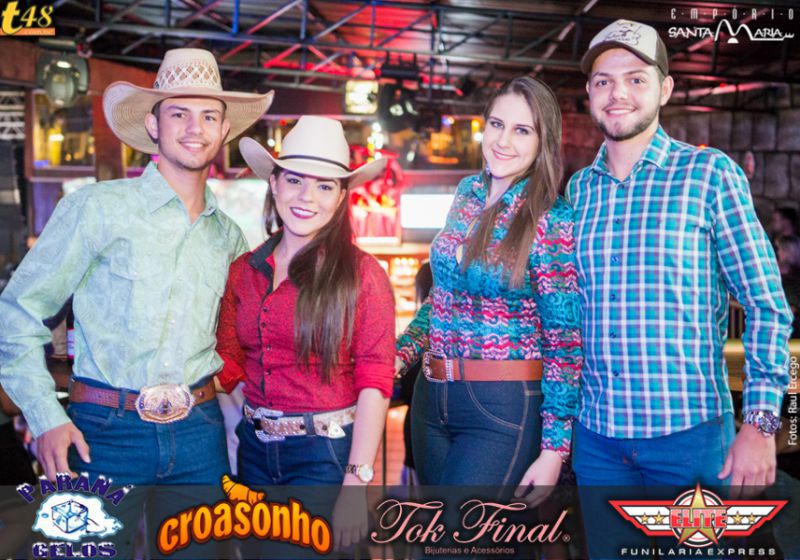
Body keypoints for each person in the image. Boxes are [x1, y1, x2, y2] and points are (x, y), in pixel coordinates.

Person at [0, 47, 273, 546]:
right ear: (153, 125)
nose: (194, 128)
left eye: (208, 116)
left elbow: (243, 341)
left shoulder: (229, 238)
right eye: (179, 114)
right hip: (103, 433)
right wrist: (45, 416)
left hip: (199, 433)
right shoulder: (97, 209)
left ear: (223, 132)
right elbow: (16, 312)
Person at [566, 19, 792, 557]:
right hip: (596, 441)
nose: (617, 93)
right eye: (603, 81)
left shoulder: (709, 174)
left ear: (665, 89)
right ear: (590, 93)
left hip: (690, 441)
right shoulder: (578, 191)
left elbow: (767, 305)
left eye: (636, 79)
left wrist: (761, 424)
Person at [395, 75, 582, 500]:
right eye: (496, 124)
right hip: (431, 397)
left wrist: (554, 450)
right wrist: (400, 354)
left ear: (544, 141)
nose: (503, 141)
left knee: (457, 531)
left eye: (522, 130)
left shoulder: (551, 218)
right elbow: (443, 298)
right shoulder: (468, 193)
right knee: (435, 528)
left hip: (501, 404)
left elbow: (564, 341)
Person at [215, 116, 395, 548]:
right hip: (254, 453)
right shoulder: (244, 271)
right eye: (295, 180)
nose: (306, 197)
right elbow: (227, 363)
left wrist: (356, 483)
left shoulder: (362, 275)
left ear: (341, 196)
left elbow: (375, 381)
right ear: (274, 183)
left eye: (324, 186)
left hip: (324, 457)